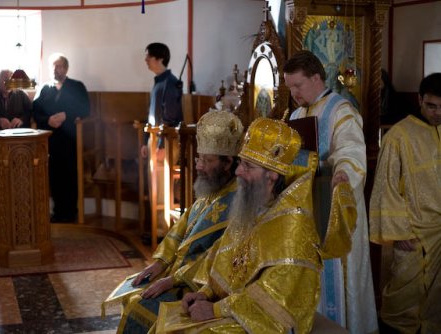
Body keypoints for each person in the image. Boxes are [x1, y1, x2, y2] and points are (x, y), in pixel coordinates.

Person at [156, 118, 323, 333]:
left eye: (247, 166)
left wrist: (215, 310)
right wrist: (206, 293)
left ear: (271, 175)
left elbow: (274, 296)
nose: (237, 172)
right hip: (235, 309)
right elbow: (223, 260)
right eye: (241, 163)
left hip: (269, 321)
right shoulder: (253, 209)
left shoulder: (293, 227)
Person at [108, 110, 244, 334]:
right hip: (178, 272)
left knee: (141, 306)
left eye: (207, 161)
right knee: (134, 295)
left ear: (228, 162)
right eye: (199, 158)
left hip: (201, 284)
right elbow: (180, 230)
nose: (198, 166)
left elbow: (220, 257)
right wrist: (160, 263)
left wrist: (174, 279)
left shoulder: (238, 201)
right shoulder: (212, 189)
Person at [284, 50, 377, 333]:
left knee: (338, 274)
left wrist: (342, 173)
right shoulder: (297, 113)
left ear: (316, 78)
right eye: (290, 88)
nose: (294, 93)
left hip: (333, 204)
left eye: (298, 86)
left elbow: (351, 151)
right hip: (306, 208)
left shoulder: (341, 110)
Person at [369, 72, 441, 333]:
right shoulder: (398, 137)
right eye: (432, 105)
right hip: (414, 234)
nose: (438, 113)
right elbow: (385, 187)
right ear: (420, 99)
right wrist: (399, 232)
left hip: (440, 234)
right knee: (402, 302)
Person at [33, 53, 90, 222]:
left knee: (70, 175)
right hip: (50, 140)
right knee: (54, 175)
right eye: (52, 66)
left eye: (58, 66)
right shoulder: (44, 88)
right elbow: (35, 111)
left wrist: (67, 115)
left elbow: (86, 109)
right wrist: (47, 120)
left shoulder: (76, 86)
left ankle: (70, 211)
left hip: (71, 139)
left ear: (66, 68)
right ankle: (57, 211)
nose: (55, 69)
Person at [140, 42, 183, 239]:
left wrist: (159, 145)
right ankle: (157, 230)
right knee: (155, 187)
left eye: (148, 57)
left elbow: (170, 119)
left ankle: (163, 233)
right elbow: (152, 116)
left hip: (166, 142)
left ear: (159, 59)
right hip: (156, 140)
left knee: (162, 187)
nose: (146, 61)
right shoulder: (158, 81)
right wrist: (145, 141)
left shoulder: (170, 82)